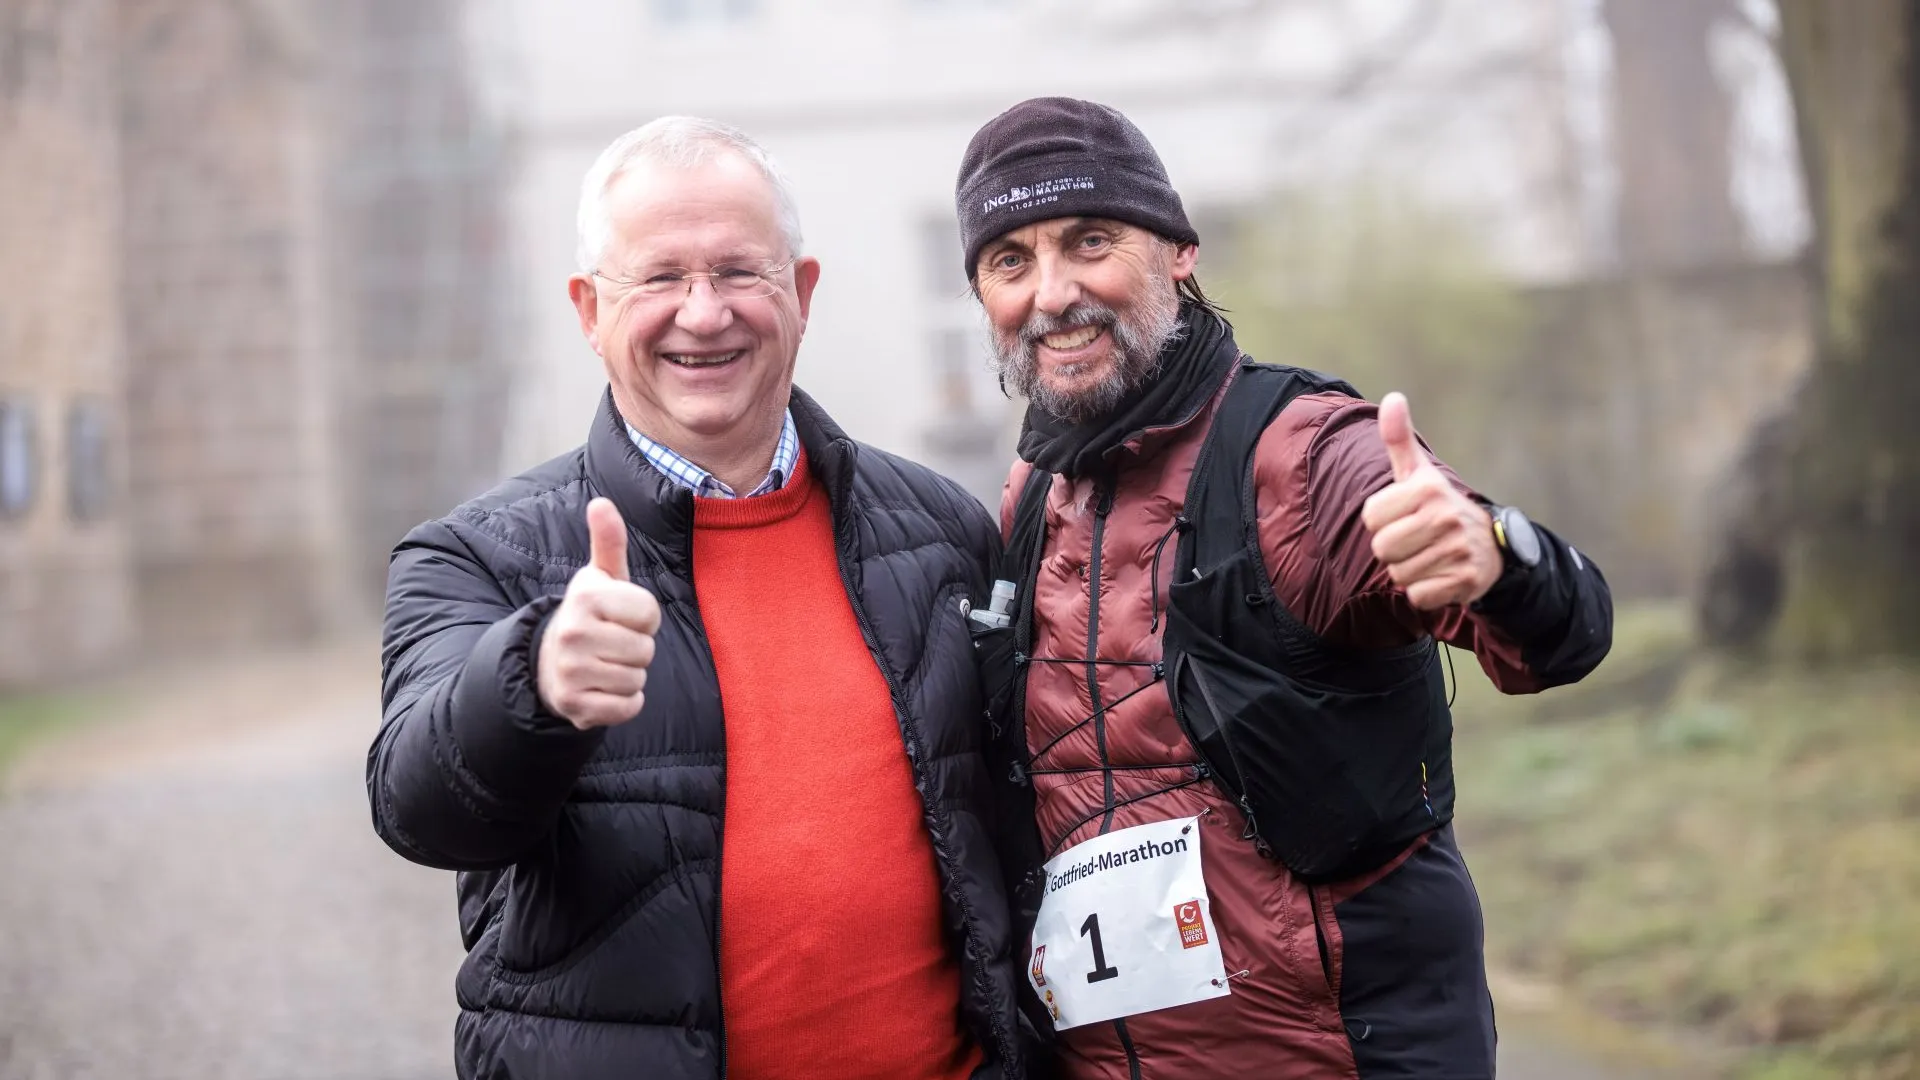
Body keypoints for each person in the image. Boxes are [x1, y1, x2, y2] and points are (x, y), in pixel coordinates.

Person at [953, 97, 1613, 1079]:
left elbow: (1559, 629)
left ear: (1179, 252)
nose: (1051, 294)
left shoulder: (1300, 451)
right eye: (1011, 261)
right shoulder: (1033, 494)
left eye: (1089, 241)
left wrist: (1497, 558)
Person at [368, 116, 1025, 1080]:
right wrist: (532, 684)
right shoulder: (477, 559)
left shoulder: (943, 532)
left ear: (800, 294)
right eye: (661, 278)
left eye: (738, 272)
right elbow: (422, 807)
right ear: (590, 310)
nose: (704, 312)